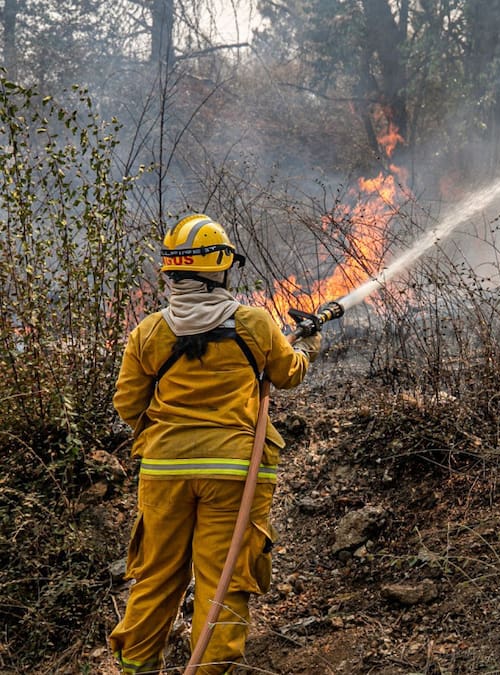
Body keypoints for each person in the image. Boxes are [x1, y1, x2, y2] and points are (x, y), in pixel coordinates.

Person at [108, 214, 321, 674]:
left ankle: (136, 667)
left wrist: (167, 435)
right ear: (220, 269)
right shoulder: (255, 324)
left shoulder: (148, 332)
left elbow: (127, 404)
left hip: (164, 473)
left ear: (172, 271)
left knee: (156, 575)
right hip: (235, 473)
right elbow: (288, 375)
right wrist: (310, 346)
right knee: (223, 580)